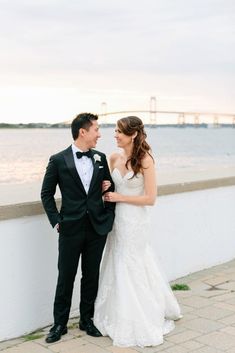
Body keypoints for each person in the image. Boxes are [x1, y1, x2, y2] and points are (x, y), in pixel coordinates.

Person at [94, 116, 182, 347]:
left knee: (132, 262)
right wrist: (107, 187)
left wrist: (119, 196)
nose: (115, 135)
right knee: (115, 260)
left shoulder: (145, 160)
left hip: (135, 221)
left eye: (119, 132)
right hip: (117, 221)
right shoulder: (112, 158)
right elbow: (110, 187)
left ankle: (139, 314)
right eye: (114, 131)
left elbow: (150, 198)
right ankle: (114, 312)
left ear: (132, 134)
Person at [41, 113, 115, 343]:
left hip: (96, 228)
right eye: (96, 129)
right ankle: (59, 324)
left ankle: (87, 320)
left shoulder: (101, 158)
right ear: (83, 131)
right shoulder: (58, 160)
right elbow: (46, 194)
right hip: (70, 228)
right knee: (66, 276)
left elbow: (108, 189)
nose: (99, 134)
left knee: (91, 276)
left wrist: (108, 215)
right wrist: (57, 220)